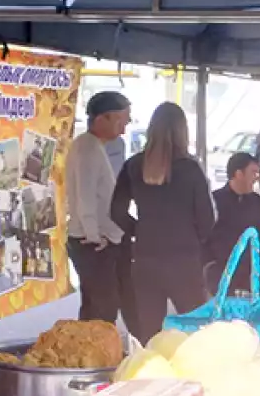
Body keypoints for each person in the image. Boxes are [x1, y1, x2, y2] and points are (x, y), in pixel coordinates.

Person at [111, 102, 214, 339]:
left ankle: (151, 374)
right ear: (182, 131)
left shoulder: (133, 165)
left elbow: (115, 211)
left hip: (146, 259)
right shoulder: (190, 169)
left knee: (149, 335)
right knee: (196, 334)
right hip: (184, 262)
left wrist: (139, 229)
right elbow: (207, 220)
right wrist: (192, 238)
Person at [65, 91, 138, 335]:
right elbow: (85, 196)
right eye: (120, 121)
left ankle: (88, 355)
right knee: (103, 308)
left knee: (97, 307)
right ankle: (94, 355)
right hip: (92, 243)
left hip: (101, 240)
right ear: (101, 119)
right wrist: (94, 235)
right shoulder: (87, 147)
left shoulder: (94, 146)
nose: (123, 130)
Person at [206, 152, 260, 299]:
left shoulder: (256, 201)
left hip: (251, 266)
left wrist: (257, 255)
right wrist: (213, 260)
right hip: (222, 268)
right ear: (239, 174)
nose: (257, 178)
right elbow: (204, 235)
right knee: (225, 309)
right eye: (253, 172)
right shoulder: (214, 201)